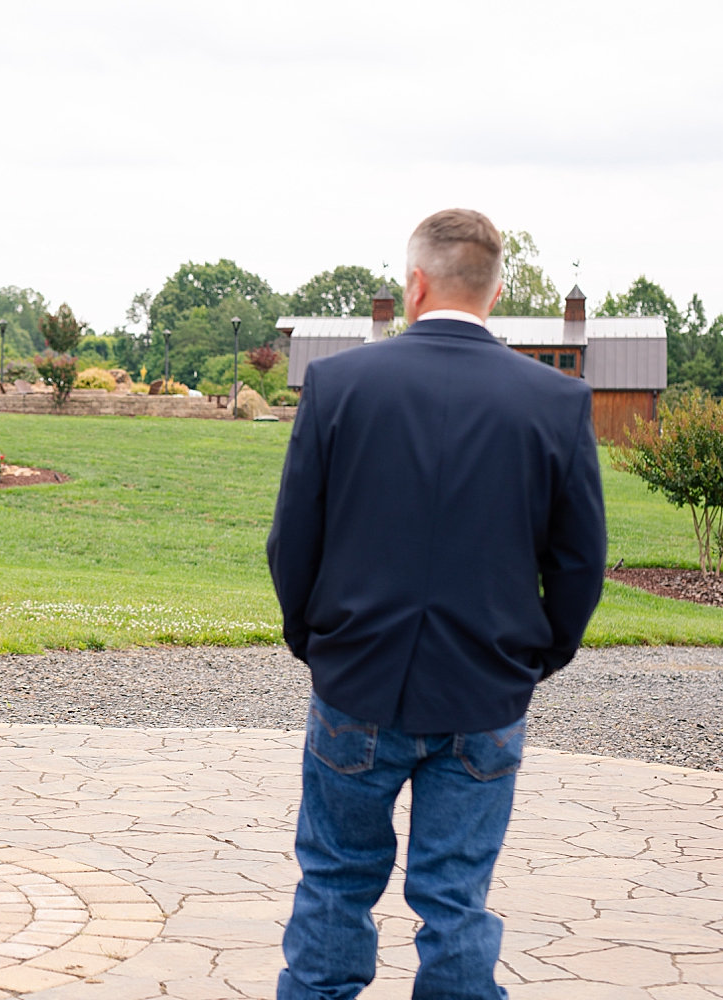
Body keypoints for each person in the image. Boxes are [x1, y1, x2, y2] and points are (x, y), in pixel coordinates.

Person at [266, 209, 605, 1000]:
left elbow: (293, 542)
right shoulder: (555, 401)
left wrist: (315, 642)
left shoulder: (341, 383)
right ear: (494, 289)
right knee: (456, 902)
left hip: (357, 681)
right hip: (485, 687)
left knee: (334, 885)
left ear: (415, 284)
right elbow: (581, 560)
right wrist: (539, 654)